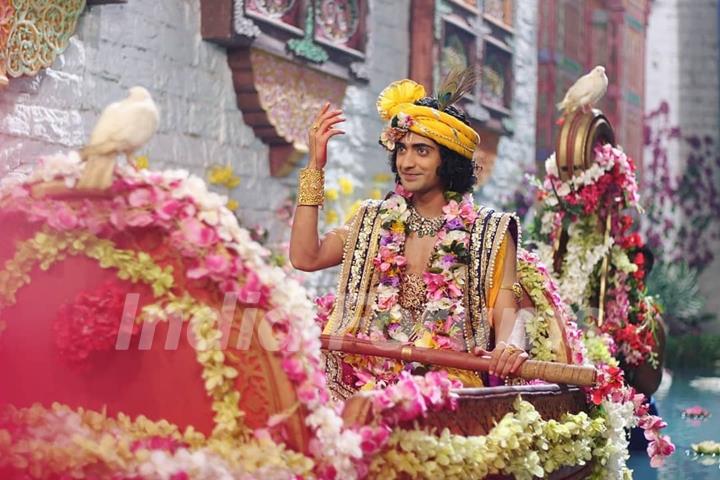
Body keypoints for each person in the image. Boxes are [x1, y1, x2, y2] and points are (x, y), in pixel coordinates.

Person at [289, 76, 529, 400]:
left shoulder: (490, 231)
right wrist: (314, 167)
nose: (407, 162)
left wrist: (510, 347)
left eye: (422, 151)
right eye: (401, 149)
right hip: (363, 386)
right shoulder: (373, 220)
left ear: (449, 159)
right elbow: (306, 257)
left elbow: (507, 314)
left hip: (450, 395)